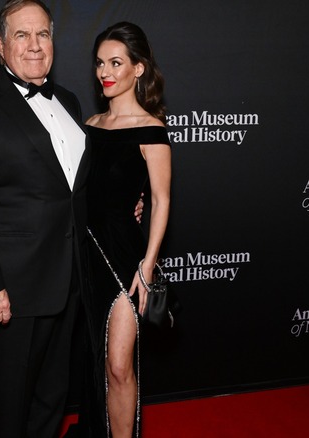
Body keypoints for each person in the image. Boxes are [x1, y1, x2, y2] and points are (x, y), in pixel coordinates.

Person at [0, 2, 141, 437]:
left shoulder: (68, 101)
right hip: (14, 289)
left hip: (72, 281)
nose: (34, 45)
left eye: (43, 34)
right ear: (0, 46)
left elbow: (74, 188)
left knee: (52, 396)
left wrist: (126, 203)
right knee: (10, 402)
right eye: (22, 35)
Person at [76, 22, 171, 438]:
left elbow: (161, 200)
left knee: (118, 365)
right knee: (94, 362)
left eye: (116, 63)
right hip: (84, 255)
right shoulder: (89, 125)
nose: (105, 72)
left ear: (138, 68)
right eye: (100, 63)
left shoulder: (152, 129)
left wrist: (147, 266)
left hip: (124, 259)